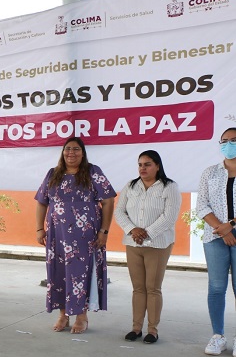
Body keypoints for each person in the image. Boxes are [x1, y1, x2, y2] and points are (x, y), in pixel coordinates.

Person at [35, 137, 116, 334]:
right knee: (59, 272)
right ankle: (63, 314)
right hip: (57, 235)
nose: (71, 153)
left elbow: (108, 201)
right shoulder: (53, 174)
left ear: (83, 152)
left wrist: (104, 231)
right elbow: (41, 202)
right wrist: (39, 229)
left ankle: (81, 316)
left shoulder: (92, 172)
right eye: (67, 149)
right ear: (62, 152)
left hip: (85, 236)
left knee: (81, 274)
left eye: (76, 149)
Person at [114, 151, 181, 344]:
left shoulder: (169, 187)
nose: (143, 168)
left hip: (158, 244)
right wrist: (132, 229)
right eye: (140, 164)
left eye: (148, 164)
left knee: (152, 288)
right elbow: (119, 211)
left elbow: (169, 217)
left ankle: (152, 330)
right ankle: (136, 328)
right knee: (138, 288)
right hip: (133, 242)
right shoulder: (131, 186)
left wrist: (146, 233)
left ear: (158, 166)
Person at [197, 127, 236, 356]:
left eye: (233, 140)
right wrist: (222, 230)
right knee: (216, 287)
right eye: (224, 141)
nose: (228, 144)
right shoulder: (210, 172)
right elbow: (202, 205)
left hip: (227, 230)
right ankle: (217, 336)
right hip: (214, 238)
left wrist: (230, 224)